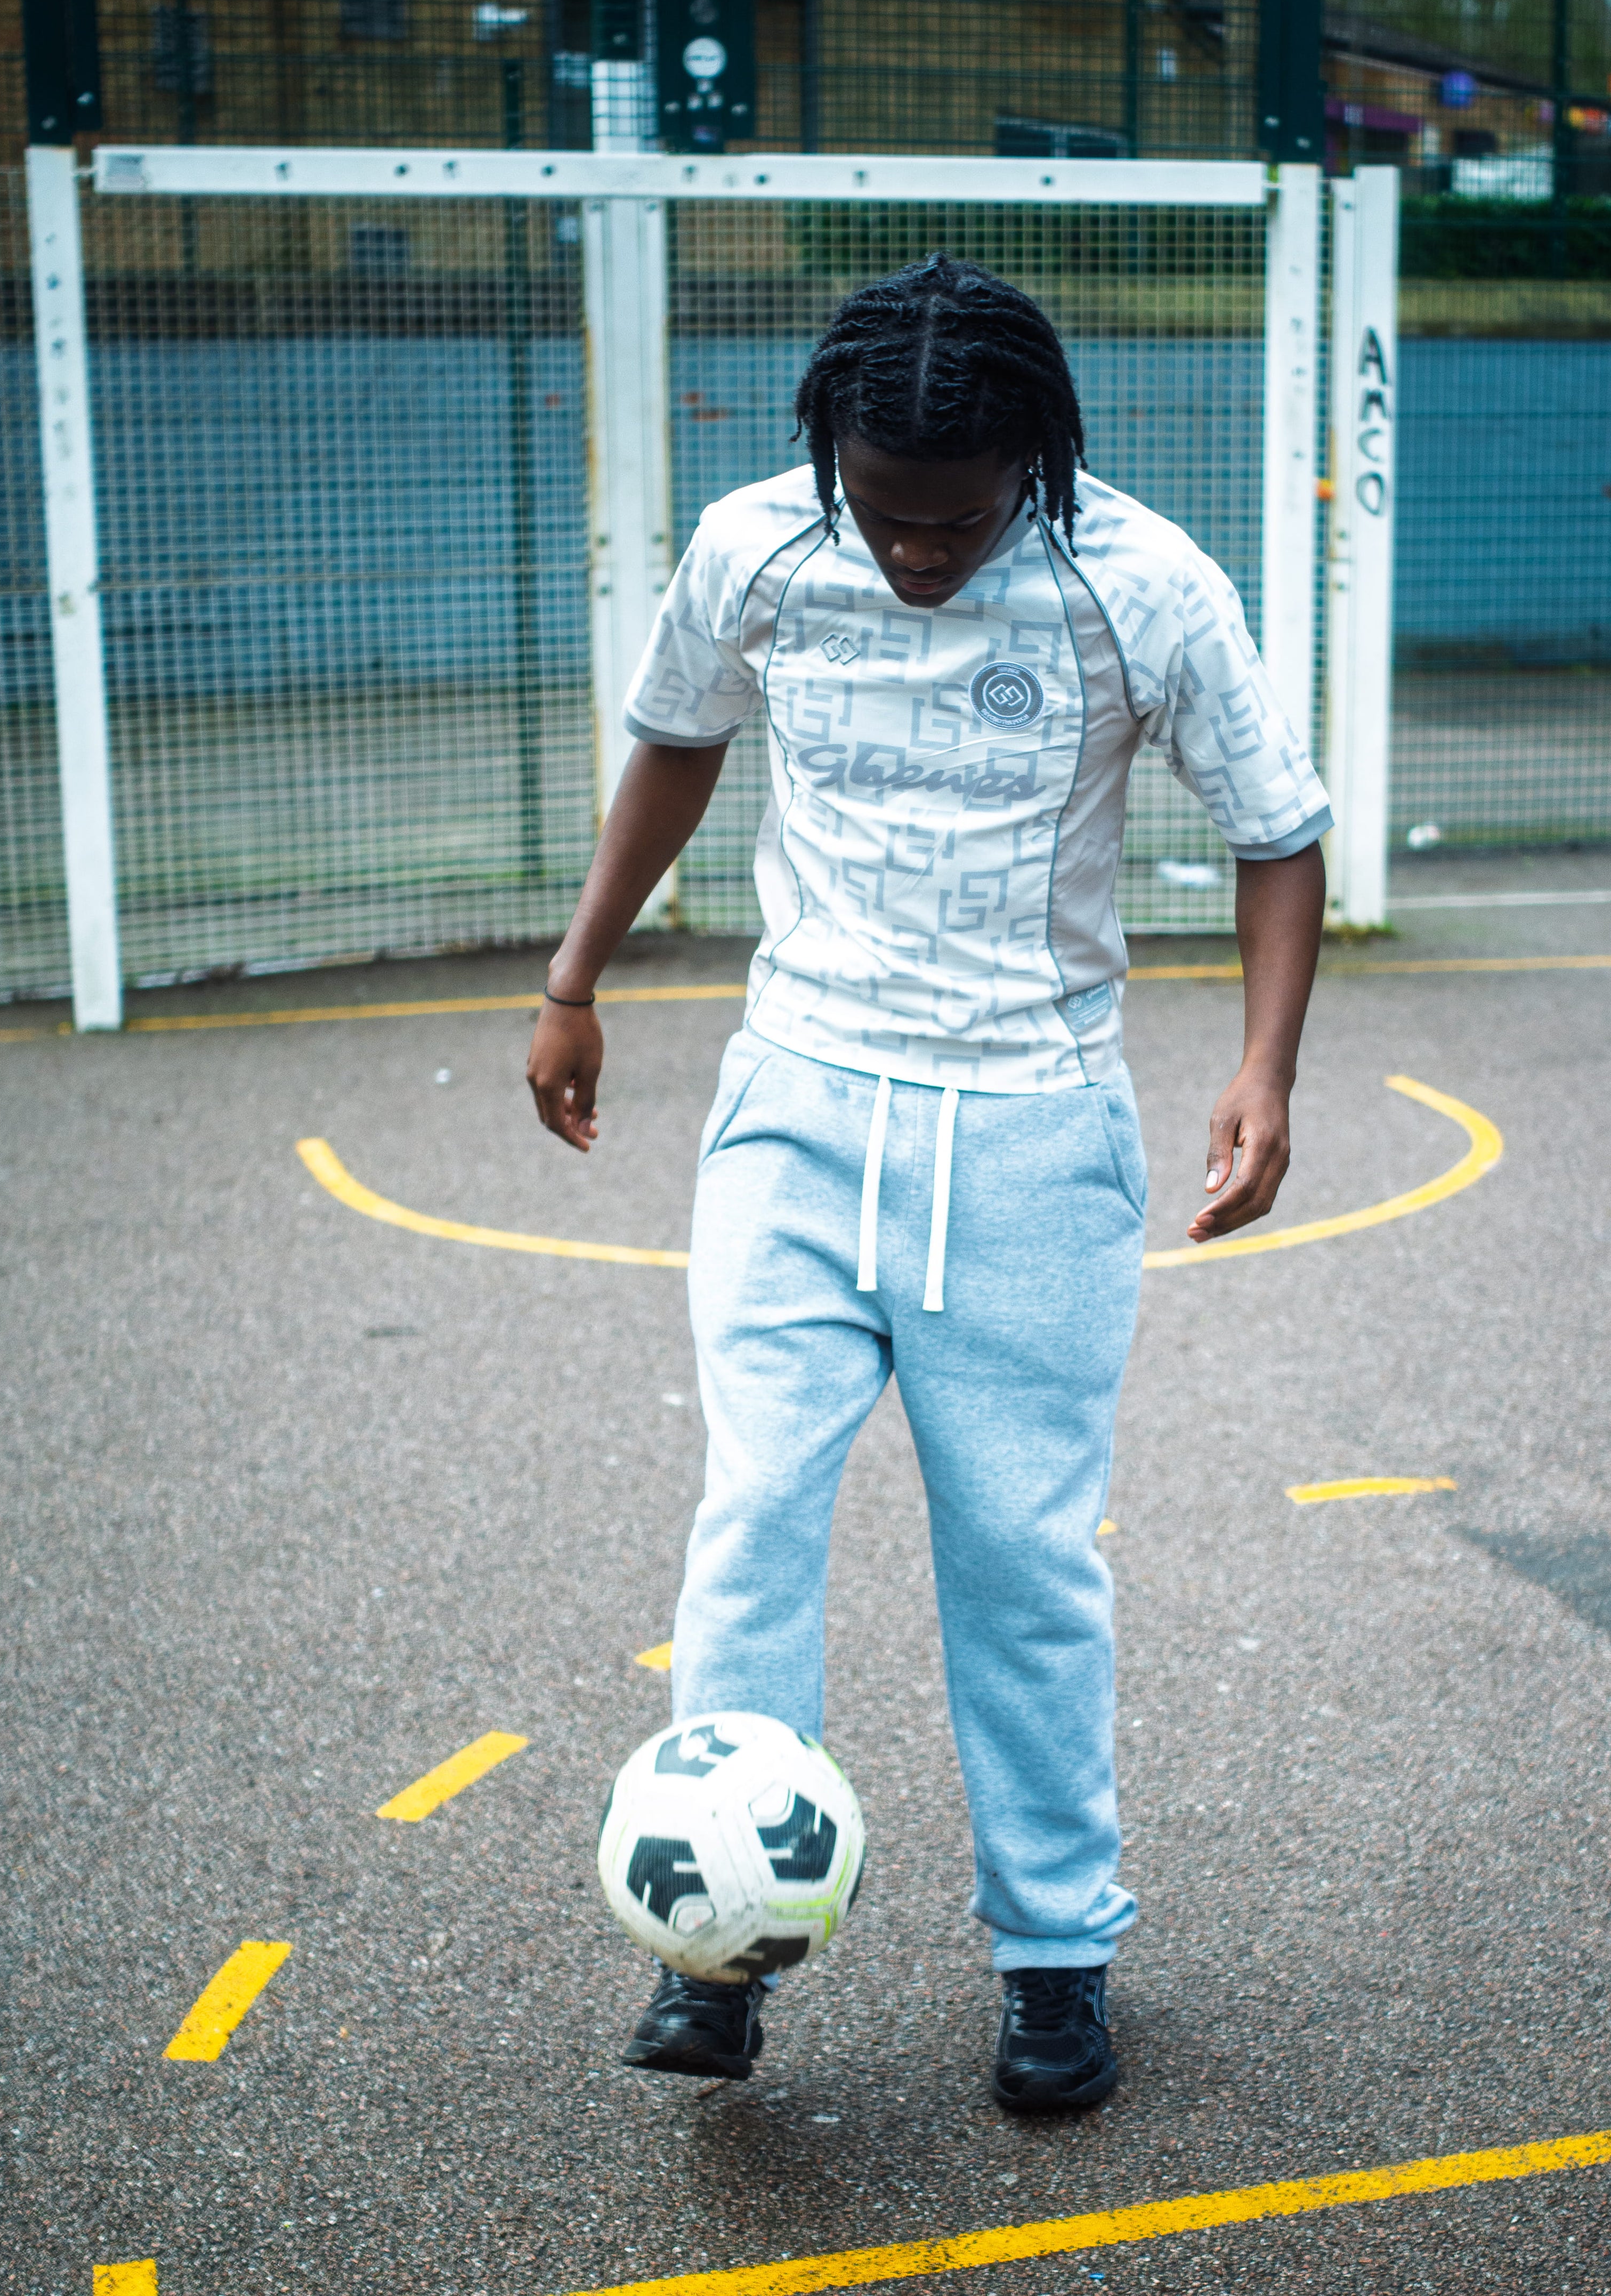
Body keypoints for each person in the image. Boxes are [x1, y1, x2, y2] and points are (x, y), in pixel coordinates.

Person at [527, 253, 1327, 2113]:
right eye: (885, 516)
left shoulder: (1146, 588)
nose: (915, 554)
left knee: (1025, 1569)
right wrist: (574, 981)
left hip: (1032, 1135)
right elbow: (675, 742)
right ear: (828, 464)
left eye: (957, 521)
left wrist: (1264, 1071)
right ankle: (718, 1953)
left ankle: (1056, 1959)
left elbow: (1277, 834)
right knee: (754, 1517)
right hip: (795, 1108)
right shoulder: (758, 549)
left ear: (1035, 463)